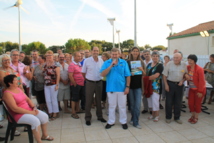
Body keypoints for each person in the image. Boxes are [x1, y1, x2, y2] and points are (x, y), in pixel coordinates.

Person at [3, 74, 54, 142]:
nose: (17, 81)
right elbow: (15, 109)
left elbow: (27, 99)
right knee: (35, 121)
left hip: (28, 110)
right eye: (15, 80)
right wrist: (31, 112)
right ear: (9, 83)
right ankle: (39, 141)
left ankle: (44, 135)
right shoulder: (7, 94)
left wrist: (33, 107)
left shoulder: (18, 89)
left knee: (44, 116)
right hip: (17, 115)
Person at [101, 48, 131, 130]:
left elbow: (128, 75)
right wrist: (111, 66)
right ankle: (111, 121)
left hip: (122, 88)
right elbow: (102, 74)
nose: (114, 55)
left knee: (122, 106)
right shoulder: (106, 63)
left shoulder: (124, 62)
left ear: (119, 54)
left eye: (116, 54)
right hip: (111, 88)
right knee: (112, 106)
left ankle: (123, 122)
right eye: (113, 54)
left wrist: (127, 87)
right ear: (110, 54)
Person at [82, 47, 106, 126]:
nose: (95, 52)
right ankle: (88, 118)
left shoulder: (101, 60)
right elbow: (83, 72)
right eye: (94, 50)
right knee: (88, 100)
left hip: (99, 82)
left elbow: (103, 71)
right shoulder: (87, 60)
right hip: (90, 83)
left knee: (98, 100)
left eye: (97, 51)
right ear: (91, 51)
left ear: (99, 51)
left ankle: (100, 116)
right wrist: (88, 79)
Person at [163, 53, 188, 124]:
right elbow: (164, 76)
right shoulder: (169, 64)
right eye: (174, 57)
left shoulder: (184, 65)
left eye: (177, 58)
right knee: (169, 102)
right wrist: (166, 85)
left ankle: (177, 117)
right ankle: (168, 117)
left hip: (179, 86)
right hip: (170, 84)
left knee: (178, 102)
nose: (175, 59)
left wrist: (182, 81)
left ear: (181, 58)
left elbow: (185, 75)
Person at [127, 47, 146, 128]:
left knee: (137, 105)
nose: (135, 52)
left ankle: (136, 122)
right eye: (134, 51)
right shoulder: (127, 62)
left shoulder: (141, 62)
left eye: (137, 51)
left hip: (138, 86)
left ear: (139, 53)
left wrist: (142, 70)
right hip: (130, 86)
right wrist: (129, 73)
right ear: (131, 52)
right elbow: (124, 74)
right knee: (132, 105)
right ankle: (132, 118)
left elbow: (145, 74)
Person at [187, 55, 206, 124]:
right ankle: (192, 115)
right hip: (191, 89)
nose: (189, 62)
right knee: (190, 104)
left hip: (199, 90)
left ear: (195, 61)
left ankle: (196, 117)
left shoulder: (199, 69)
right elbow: (183, 72)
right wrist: (185, 75)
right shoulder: (188, 67)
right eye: (188, 60)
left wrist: (200, 91)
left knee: (197, 104)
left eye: (191, 60)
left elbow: (202, 81)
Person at [146, 51, 163, 122]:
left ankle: (157, 115)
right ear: (151, 57)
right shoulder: (149, 64)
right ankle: (152, 114)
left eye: (156, 56)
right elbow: (145, 73)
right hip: (148, 86)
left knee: (155, 101)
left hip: (156, 86)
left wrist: (146, 79)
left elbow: (156, 75)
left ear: (158, 57)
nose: (155, 57)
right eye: (154, 56)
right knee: (150, 101)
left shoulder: (160, 65)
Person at [43, 50, 60, 120]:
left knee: (53, 99)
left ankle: (55, 113)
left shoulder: (56, 64)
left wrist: (57, 84)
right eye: (47, 56)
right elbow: (43, 73)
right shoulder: (45, 65)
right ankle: (50, 112)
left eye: (50, 55)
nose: (48, 57)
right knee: (48, 100)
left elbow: (58, 75)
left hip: (53, 84)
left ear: (53, 56)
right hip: (46, 84)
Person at [68, 52, 85, 119]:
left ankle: (78, 109)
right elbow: (70, 75)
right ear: (74, 57)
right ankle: (73, 112)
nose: (80, 57)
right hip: (76, 84)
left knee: (78, 98)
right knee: (74, 98)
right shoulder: (72, 65)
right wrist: (74, 83)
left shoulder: (79, 64)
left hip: (81, 83)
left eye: (80, 56)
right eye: (78, 56)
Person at [142, 50, 152, 114]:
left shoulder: (153, 62)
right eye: (145, 54)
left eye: (147, 54)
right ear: (143, 55)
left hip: (151, 80)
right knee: (144, 94)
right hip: (144, 80)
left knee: (151, 94)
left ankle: (151, 109)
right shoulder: (142, 62)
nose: (146, 55)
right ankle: (145, 108)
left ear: (150, 54)